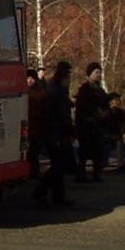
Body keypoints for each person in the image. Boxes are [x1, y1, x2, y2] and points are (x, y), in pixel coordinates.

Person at [33, 61, 75, 206]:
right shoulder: (58, 91)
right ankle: (43, 192)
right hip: (55, 133)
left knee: (59, 165)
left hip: (52, 132)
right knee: (59, 165)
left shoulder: (53, 88)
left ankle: (55, 194)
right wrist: (71, 130)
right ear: (65, 78)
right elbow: (62, 115)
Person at [74, 62, 108, 182]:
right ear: (90, 74)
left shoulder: (100, 90)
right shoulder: (85, 89)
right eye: (96, 72)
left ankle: (96, 173)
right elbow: (81, 108)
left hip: (97, 125)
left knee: (97, 150)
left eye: (100, 72)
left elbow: (106, 105)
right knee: (84, 150)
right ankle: (81, 173)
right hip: (86, 125)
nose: (99, 75)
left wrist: (104, 114)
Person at [26, 68, 46, 179]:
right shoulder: (22, 92)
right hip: (27, 125)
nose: (30, 81)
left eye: (32, 79)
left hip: (36, 125)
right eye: (28, 78)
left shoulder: (40, 93)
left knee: (34, 150)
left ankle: (34, 171)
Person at [105, 92, 125, 172]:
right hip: (110, 133)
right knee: (107, 146)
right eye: (116, 100)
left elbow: (124, 124)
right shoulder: (108, 112)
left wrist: (120, 132)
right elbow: (106, 123)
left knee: (119, 147)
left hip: (117, 133)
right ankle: (104, 162)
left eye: (119, 100)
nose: (118, 102)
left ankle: (120, 164)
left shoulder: (121, 112)